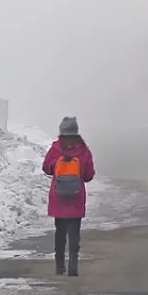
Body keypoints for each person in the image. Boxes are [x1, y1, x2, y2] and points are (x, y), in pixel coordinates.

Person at [42, 116, 96, 276]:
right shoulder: (84, 151)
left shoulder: (55, 149)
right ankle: (73, 267)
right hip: (76, 197)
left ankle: (59, 266)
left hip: (58, 196)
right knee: (74, 233)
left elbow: (46, 168)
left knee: (60, 231)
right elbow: (88, 175)